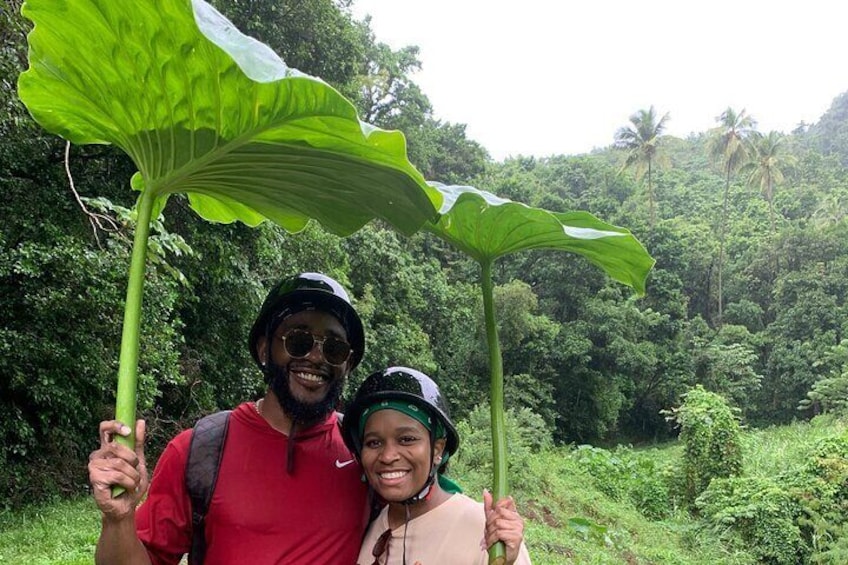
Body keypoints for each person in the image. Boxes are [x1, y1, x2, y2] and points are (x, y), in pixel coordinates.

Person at [88, 272, 370, 565]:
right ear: (264, 349)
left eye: (334, 348)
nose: (316, 357)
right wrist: (117, 519)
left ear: (347, 364)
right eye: (298, 340)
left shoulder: (365, 451)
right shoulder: (200, 450)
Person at [342, 366, 532, 565]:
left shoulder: (486, 533)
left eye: (407, 439)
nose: (388, 456)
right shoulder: (371, 526)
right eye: (374, 442)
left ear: (438, 449)